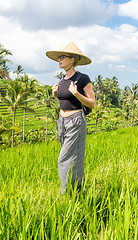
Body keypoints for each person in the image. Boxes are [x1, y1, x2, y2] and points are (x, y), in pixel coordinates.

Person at [46, 41, 95, 194]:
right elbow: (65, 101)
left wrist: (76, 93)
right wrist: (55, 95)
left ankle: (66, 194)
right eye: (59, 57)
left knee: (64, 159)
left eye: (62, 57)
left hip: (75, 121)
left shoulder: (82, 78)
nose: (59, 60)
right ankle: (77, 192)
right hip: (62, 122)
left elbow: (92, 103)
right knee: (72, 159)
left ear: (72, 59)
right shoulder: (63, 79)